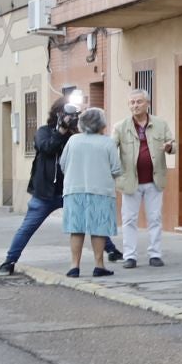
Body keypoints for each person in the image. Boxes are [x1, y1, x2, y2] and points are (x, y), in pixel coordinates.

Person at [0, 97, 77, 275]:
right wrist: (61, 131)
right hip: (44, 193)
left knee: (86, 220)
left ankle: (110, 251)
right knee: (27, 228)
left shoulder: (76, 136)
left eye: (73, 114)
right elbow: (46, 147)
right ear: (58, 114)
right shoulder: (44, 131)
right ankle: (9, 261)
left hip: (69, 191)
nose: (70, 118)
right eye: (67, 114)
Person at [113, 88, 174, 269]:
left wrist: (170, 147)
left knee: (155, 218)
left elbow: (173, 144)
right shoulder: (120, 127)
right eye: (132, 103)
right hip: (130, 181)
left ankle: (155, 254)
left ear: (147, 103)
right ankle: (130, 256)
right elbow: (110, 148)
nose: (135, 106)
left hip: (154, 180)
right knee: (129, 220)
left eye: (139, 102)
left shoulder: (160, 124)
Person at [61, 107, 124, 277]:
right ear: (101, 124)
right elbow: (117, 169)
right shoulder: (108, 142)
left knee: (76, 228)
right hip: (101, 190)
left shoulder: (73, 140)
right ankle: (99, 265)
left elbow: (63, 163)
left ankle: (74, 266)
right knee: (99, 228)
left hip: (74, 189)